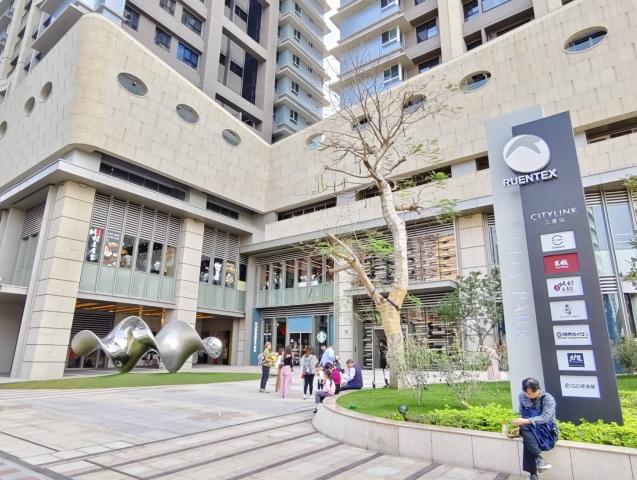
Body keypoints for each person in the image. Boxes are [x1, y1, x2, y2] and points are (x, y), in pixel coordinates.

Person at [512, 377, 558, 480]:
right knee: (526, 432)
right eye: (526, 393)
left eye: (530, 393)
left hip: (547, 430)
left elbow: (545, 418)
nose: (528, 395)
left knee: (526, 434)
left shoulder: (547, 398)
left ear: (537, 389)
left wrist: (524, 422)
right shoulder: (522, 396)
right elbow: (522, 413)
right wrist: (520, 426)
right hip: (530, 428)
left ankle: (533, 474)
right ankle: (539, 459)